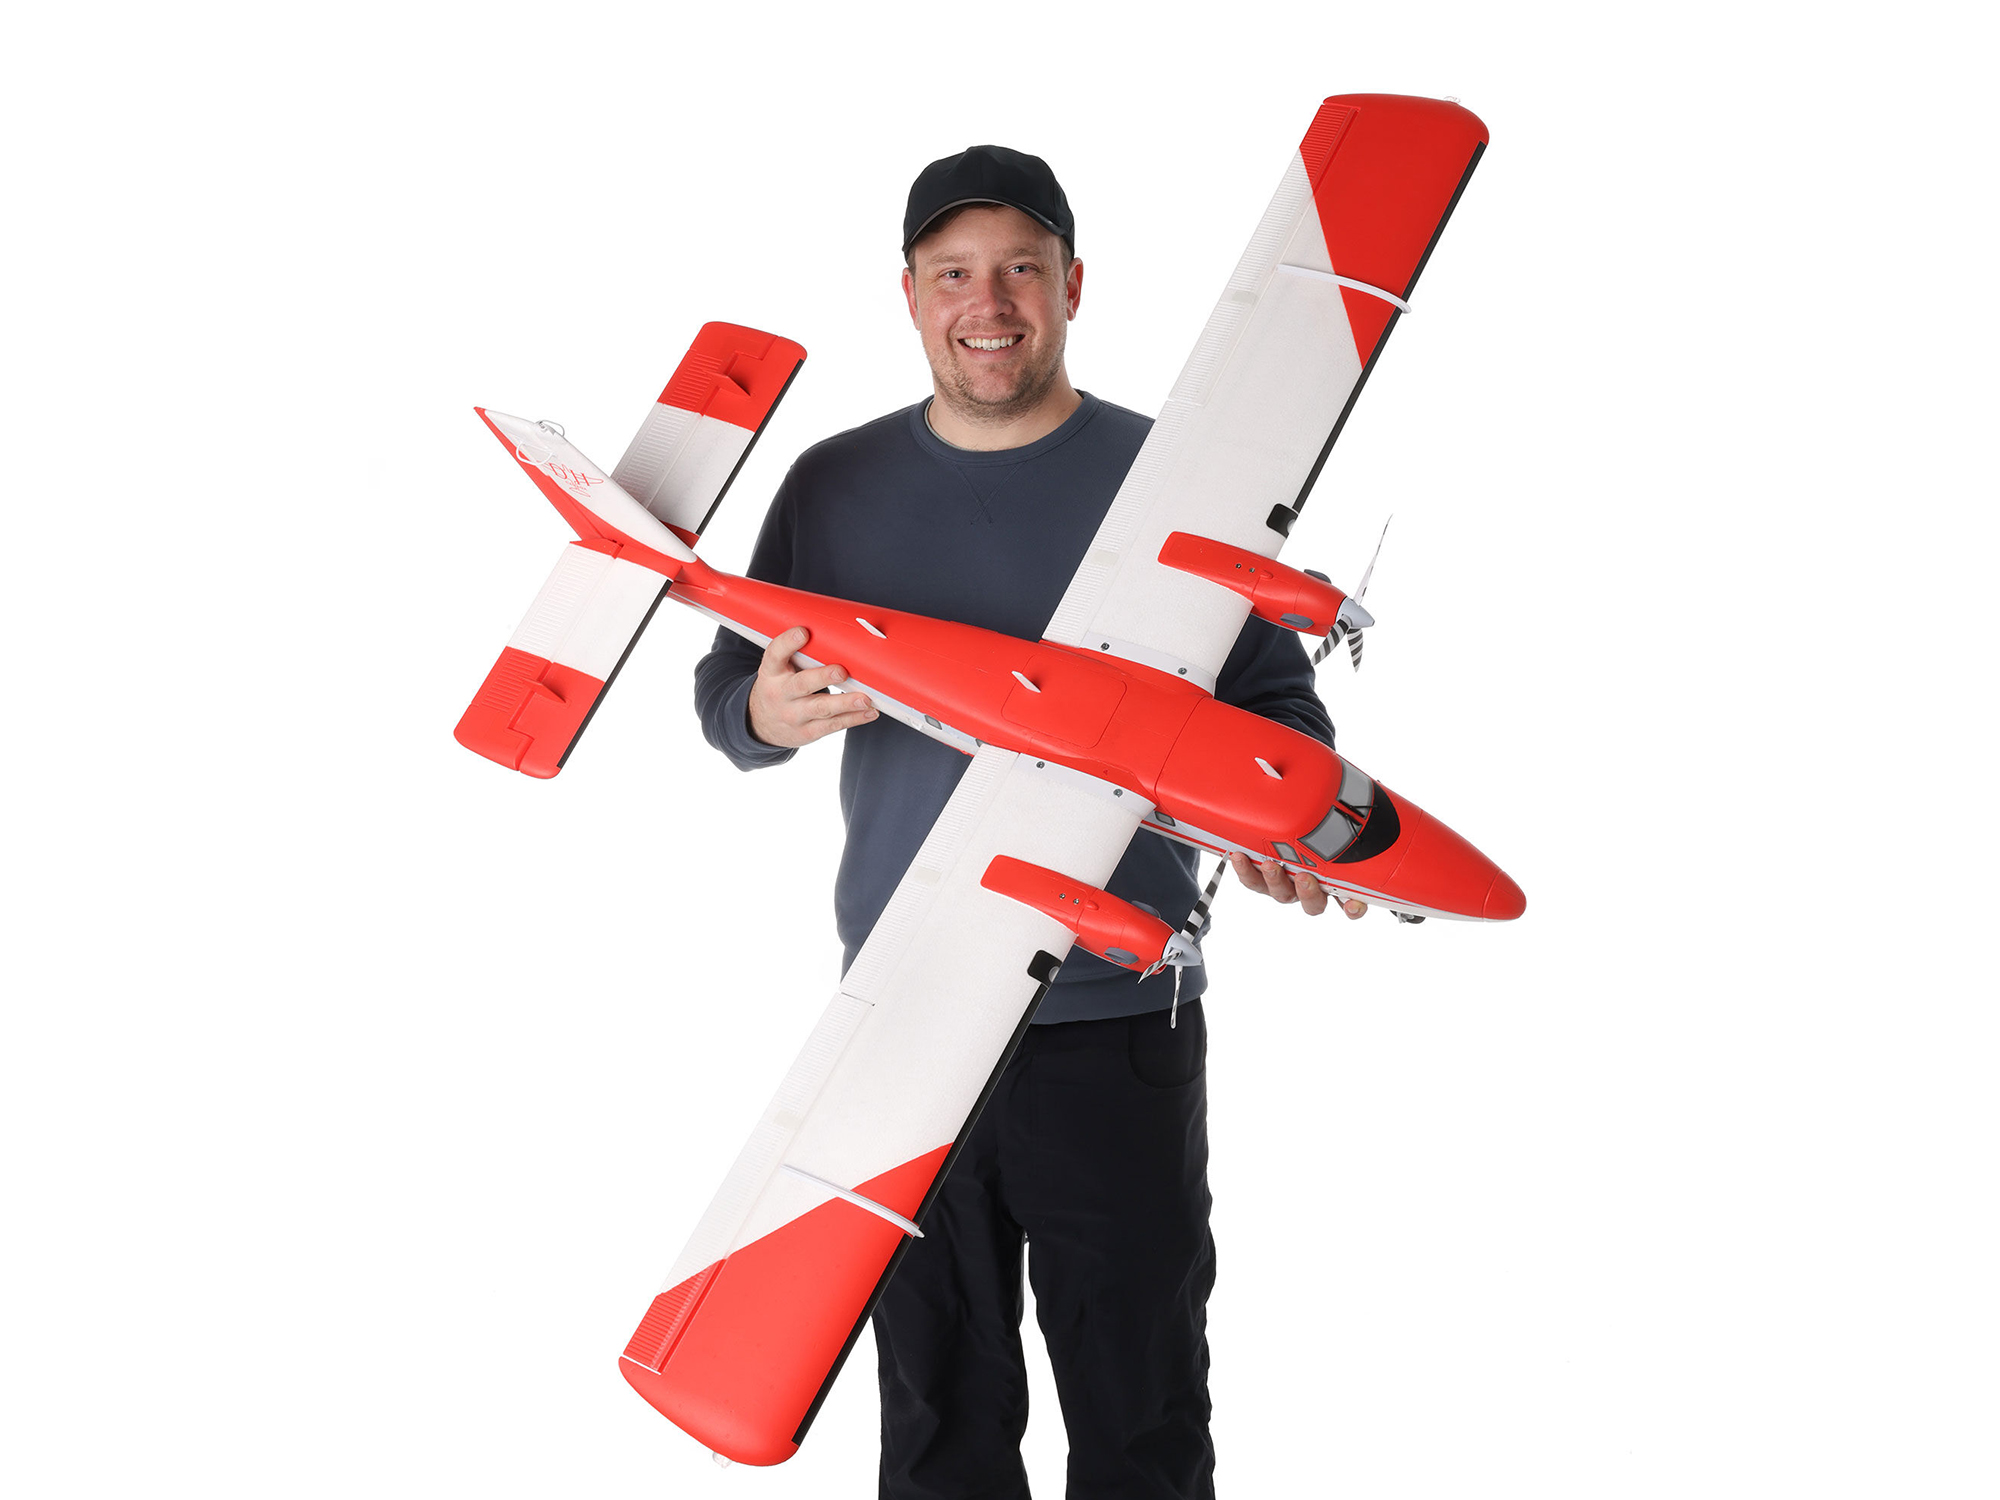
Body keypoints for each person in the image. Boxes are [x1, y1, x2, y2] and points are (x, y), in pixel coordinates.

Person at [693, 143, 1365, 1500]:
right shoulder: (828, 482)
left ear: (1072, 284)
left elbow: (1278, 706)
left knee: (1143, 1408)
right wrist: (762, 709)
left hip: (1118, 1018)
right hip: (904, 1011)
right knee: (938, 1415)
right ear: (910, 295)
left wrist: (1281, 821)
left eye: (1019, 268)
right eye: (954, 273)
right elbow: (727, 699)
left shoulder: (1181, 476)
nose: (987, 303)